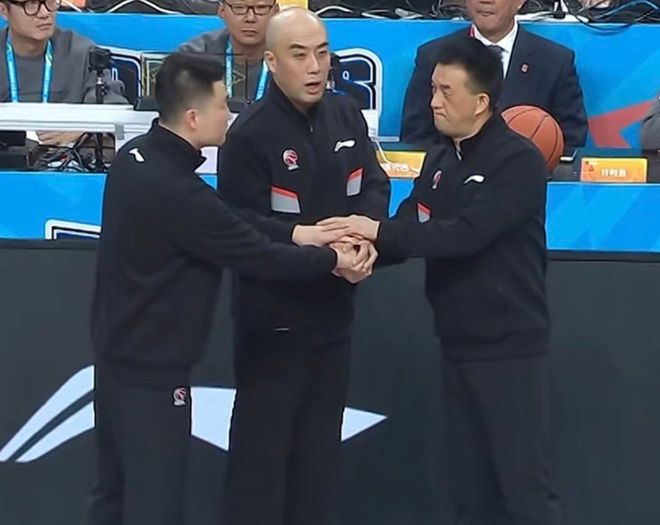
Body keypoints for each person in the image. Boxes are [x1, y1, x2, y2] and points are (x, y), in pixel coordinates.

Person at [87, 52, 361, 525]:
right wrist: (334, 259)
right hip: (156, 376)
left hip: (115, 362)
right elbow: (258, 254)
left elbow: (225, 221)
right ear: (194, 117)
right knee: (154, 506)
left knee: (113, 497)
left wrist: (301, 232)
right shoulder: (177, 192)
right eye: (220, 106)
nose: (229, 116)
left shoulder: (134, 159)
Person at [321, 38, 562, 525]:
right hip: (456, 341)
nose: (433, 102)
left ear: (481, 101)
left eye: (446, 92)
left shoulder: (516, 161)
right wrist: (357, 254)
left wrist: (377, 230)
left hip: (508, 347)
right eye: (433, 89)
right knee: (471, 490)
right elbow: (411, 226)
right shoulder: (439, 159)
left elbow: (463, 235)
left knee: (522, 488)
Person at [218, 8, 390, 525]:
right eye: (299, 55)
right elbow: (244, 228)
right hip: (273, 326)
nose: (315, 67)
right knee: (260, 468)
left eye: (322, 53)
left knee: (318, 466)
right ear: (271, 62)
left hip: (334, 321)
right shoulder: (249, 135)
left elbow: (375, 185)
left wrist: (362, 239)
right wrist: (326, 258)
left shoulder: (347, 115)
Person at [401, 0, 587, 152]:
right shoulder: (434, 56)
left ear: (520, 2)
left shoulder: (554, 62)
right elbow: (416, 136)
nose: (485, 1)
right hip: (453, 180)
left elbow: (571, 139)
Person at [0, 0, 127, 146]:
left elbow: (114, 109)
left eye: (50, 2)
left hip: (65, 154)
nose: (44, 13)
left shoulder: (81, 52)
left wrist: (84, 128)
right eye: (31, 4)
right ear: (4, 10)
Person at [178, 0, 278, 109]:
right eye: (239, 7)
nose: (250, 18)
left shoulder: (289, 57)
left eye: (261, 8)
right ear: (222, 10)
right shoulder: (192, 58)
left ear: (276, 11)